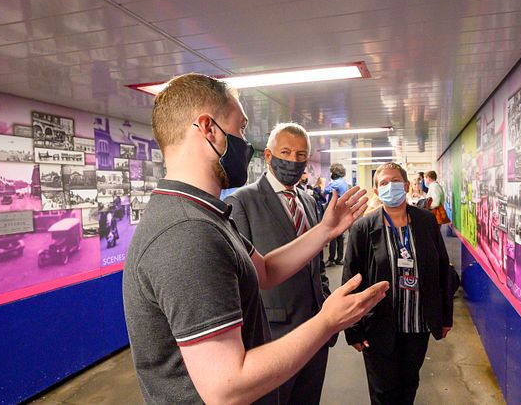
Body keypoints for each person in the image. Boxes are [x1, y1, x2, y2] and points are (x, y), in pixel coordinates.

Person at [122, 73, 389, 405]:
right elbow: (227, 388)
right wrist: (327, 321)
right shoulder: (187, 233)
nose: (246, 143)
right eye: (241, 128)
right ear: (208, 129)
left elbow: (264, 271)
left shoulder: (207, 214)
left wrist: (325, 230)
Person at [226, 123, 334, 404]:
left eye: (301, 155)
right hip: (271, 337)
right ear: (269, 157)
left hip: (315, 334)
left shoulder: (308, 201)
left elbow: (317, 265)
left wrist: (324, 305)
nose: (294, 161)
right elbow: (240, 280)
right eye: (286, 152)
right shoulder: (242, 202)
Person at [343, 162, 454, 405]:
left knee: (409, 385)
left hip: (418, 324)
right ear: (376, 191)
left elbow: (442, 270)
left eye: (395, 181)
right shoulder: (363, 228)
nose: (390, 186)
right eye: (383, 183)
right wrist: (353, 329)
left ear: (405, 186)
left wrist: (445, 316)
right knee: (383, 392)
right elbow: (351, 280)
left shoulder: (426, 222)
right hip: (378, 326)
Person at [324, 163, 350, 266]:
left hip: (334, 211)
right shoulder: (344, 183)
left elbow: (325, 191)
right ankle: (339, 258)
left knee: (332, 236)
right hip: (342, 211)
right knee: (340, 236)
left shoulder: (335, 183)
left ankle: (331, 259)